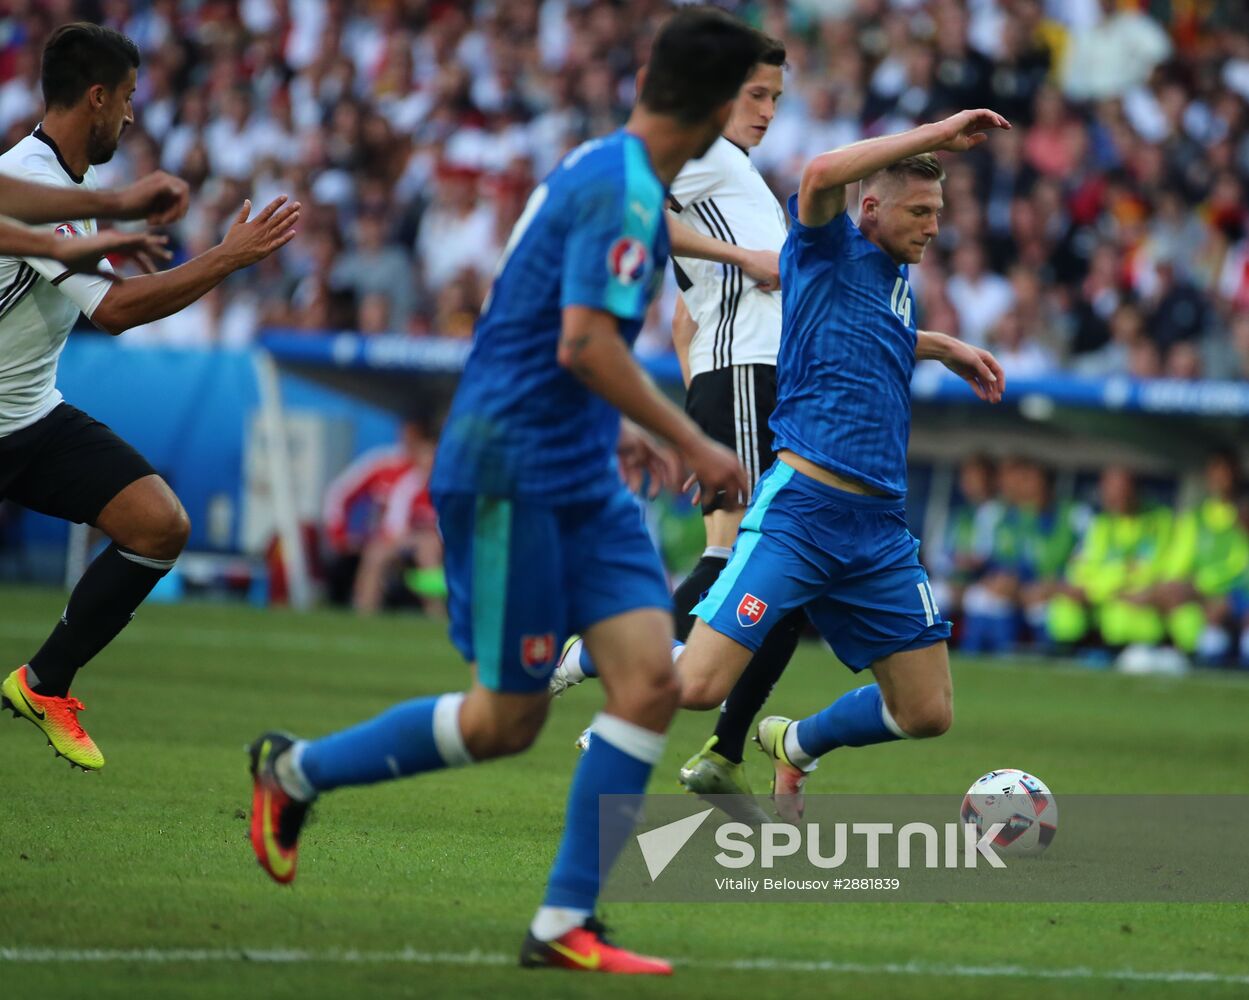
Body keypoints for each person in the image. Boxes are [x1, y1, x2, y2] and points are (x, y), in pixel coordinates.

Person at [245, 9, 764, 976]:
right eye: (751, 98)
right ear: (713, 107)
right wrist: (689, 436)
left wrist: (613, 424)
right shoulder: (622, 191)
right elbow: (579, 342)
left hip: (576, 465)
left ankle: (564, 922)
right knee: (505, 720)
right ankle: (293, 771)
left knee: (650, 682)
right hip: (509, 471)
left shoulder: (606, 170)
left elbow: (533, 321)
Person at [557, 109, 1010, 825]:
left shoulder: (894, 279)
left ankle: (795, 744)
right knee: (698, 686)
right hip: (800, 515)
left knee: (925, 712)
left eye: (937, 212)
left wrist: (941, 345)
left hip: (877, 531)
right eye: (919, 211)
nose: (932, 225)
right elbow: (821, 172)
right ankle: (596, 653)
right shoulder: (825, 245)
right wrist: (936, 133)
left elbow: (868, 333)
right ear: (869, 208)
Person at [0, 23, 299, 772]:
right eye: (127, 98)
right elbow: (117, 310)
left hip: (28, 413)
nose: (131, 115)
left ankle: (44, 683)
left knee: (156, 524)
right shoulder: (35, 175)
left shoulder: (67, 186)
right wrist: (227, 257)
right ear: (96, 97)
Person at [557, 39, 797, 814]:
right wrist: (746, 258)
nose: (765, 112)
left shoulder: (741, 175)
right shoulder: (703, 157)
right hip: (748, 375)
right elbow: (640, 217)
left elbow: (685, 318)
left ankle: (717, 746)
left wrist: (702, 409)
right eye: (755, 95)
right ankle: (659, 701)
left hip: (744, 381)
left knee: (769, 574)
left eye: (774, 100)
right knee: (757, 561)